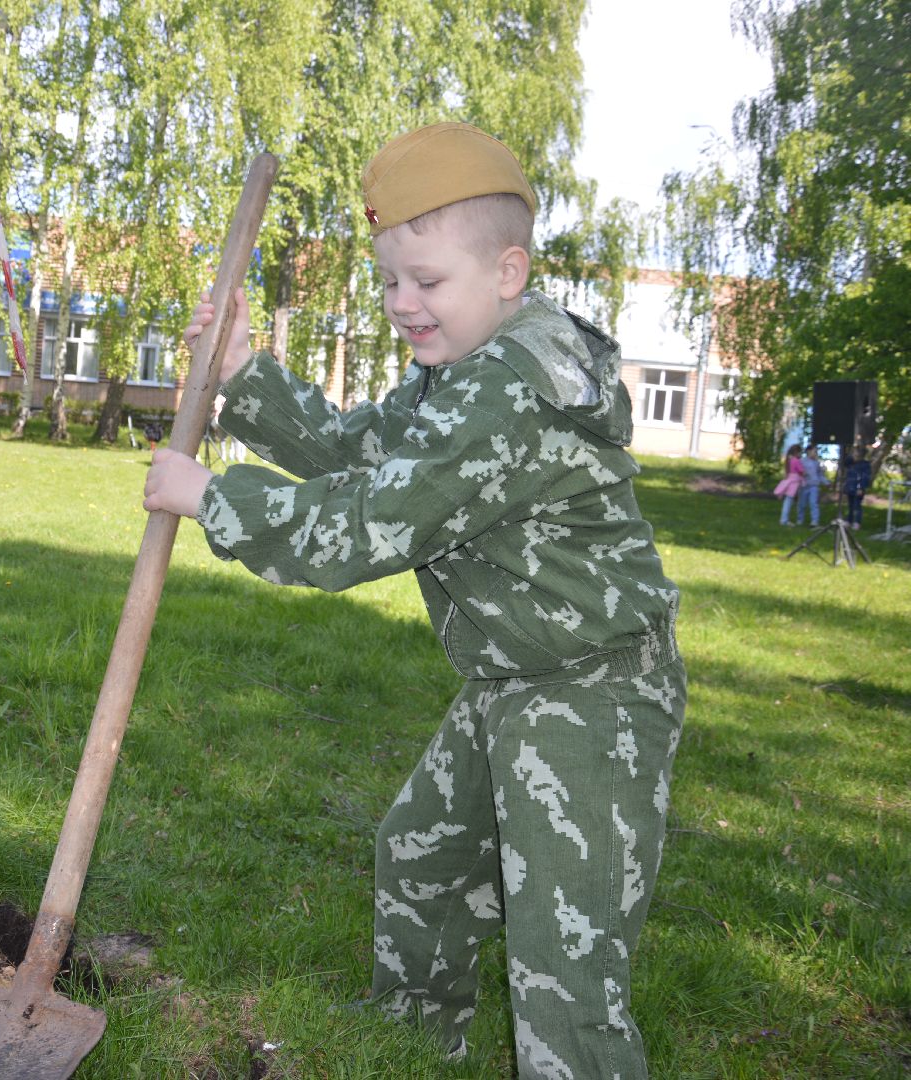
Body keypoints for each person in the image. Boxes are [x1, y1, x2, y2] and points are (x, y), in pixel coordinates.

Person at [143, 123, 685, 1077]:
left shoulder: (508, 395)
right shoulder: (456, 374)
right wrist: (242, 374)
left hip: (592, 702)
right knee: (424, 855)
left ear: (507, 272)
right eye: (390, 281)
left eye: (426, 282)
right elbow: (362, 454)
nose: (402, 305)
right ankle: (407, 1044)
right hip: (509, 682)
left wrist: (212, 497)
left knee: (567, 967)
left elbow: (369, 526)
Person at [842, 444, 873, 529]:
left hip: (858, 489)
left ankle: (857, 522)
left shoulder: (864, 465)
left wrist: (861, 488)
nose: (854, 455)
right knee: (850, 506)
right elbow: (845, 462)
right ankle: (849, 520)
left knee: (857, 506)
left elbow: (864, 477)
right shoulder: (851, 463)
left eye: (856, 453)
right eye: (853, 453)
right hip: (850, 488)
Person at [775, 443, 804, 525]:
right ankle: (784, 519)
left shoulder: (789, 460)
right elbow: (802, 471)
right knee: (788, 501)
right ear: (797, 452)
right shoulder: (796, 461)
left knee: (787, 501)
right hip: (794, 483)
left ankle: (784, 519)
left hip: (790, 481)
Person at [799, 444, 826, 526]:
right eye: (814, 451)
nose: (815, 453)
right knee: (802, 504)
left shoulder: (817, 463)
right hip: (804, 486)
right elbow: (798, 471)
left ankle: (814, 521)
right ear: (808, 451)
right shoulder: (802, 461)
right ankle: (800, 519)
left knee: (813, 503)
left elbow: (820, 475)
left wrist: (826, 482)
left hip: (814, 486)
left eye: (816, 452)